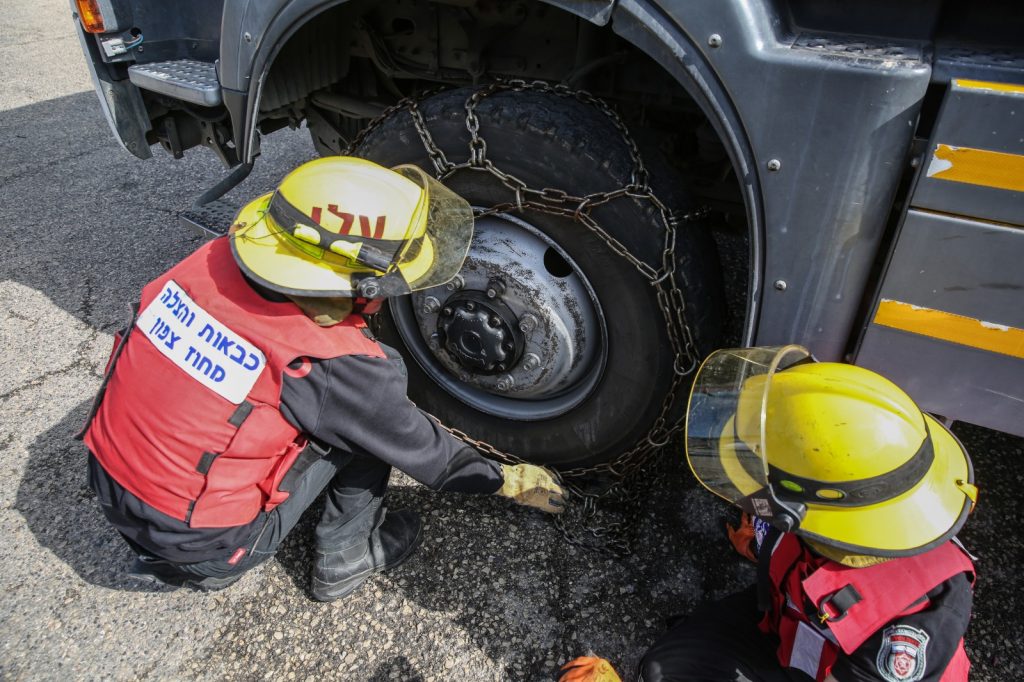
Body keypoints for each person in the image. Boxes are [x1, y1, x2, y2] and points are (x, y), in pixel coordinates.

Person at [81, 156, 566, 601]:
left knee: (350, 396)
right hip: (198, 544)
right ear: (356, 281)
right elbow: (424, 451)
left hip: (106, 480)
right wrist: (505, 481)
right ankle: (347, 556)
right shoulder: (330, 362)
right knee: (368, 416)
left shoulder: (204, 263)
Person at [560, 345, 978, 682]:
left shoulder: (912, 625)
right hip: (789, 620)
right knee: (665, 667)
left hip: (827, 665)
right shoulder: (853, 507)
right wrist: (772, 552)